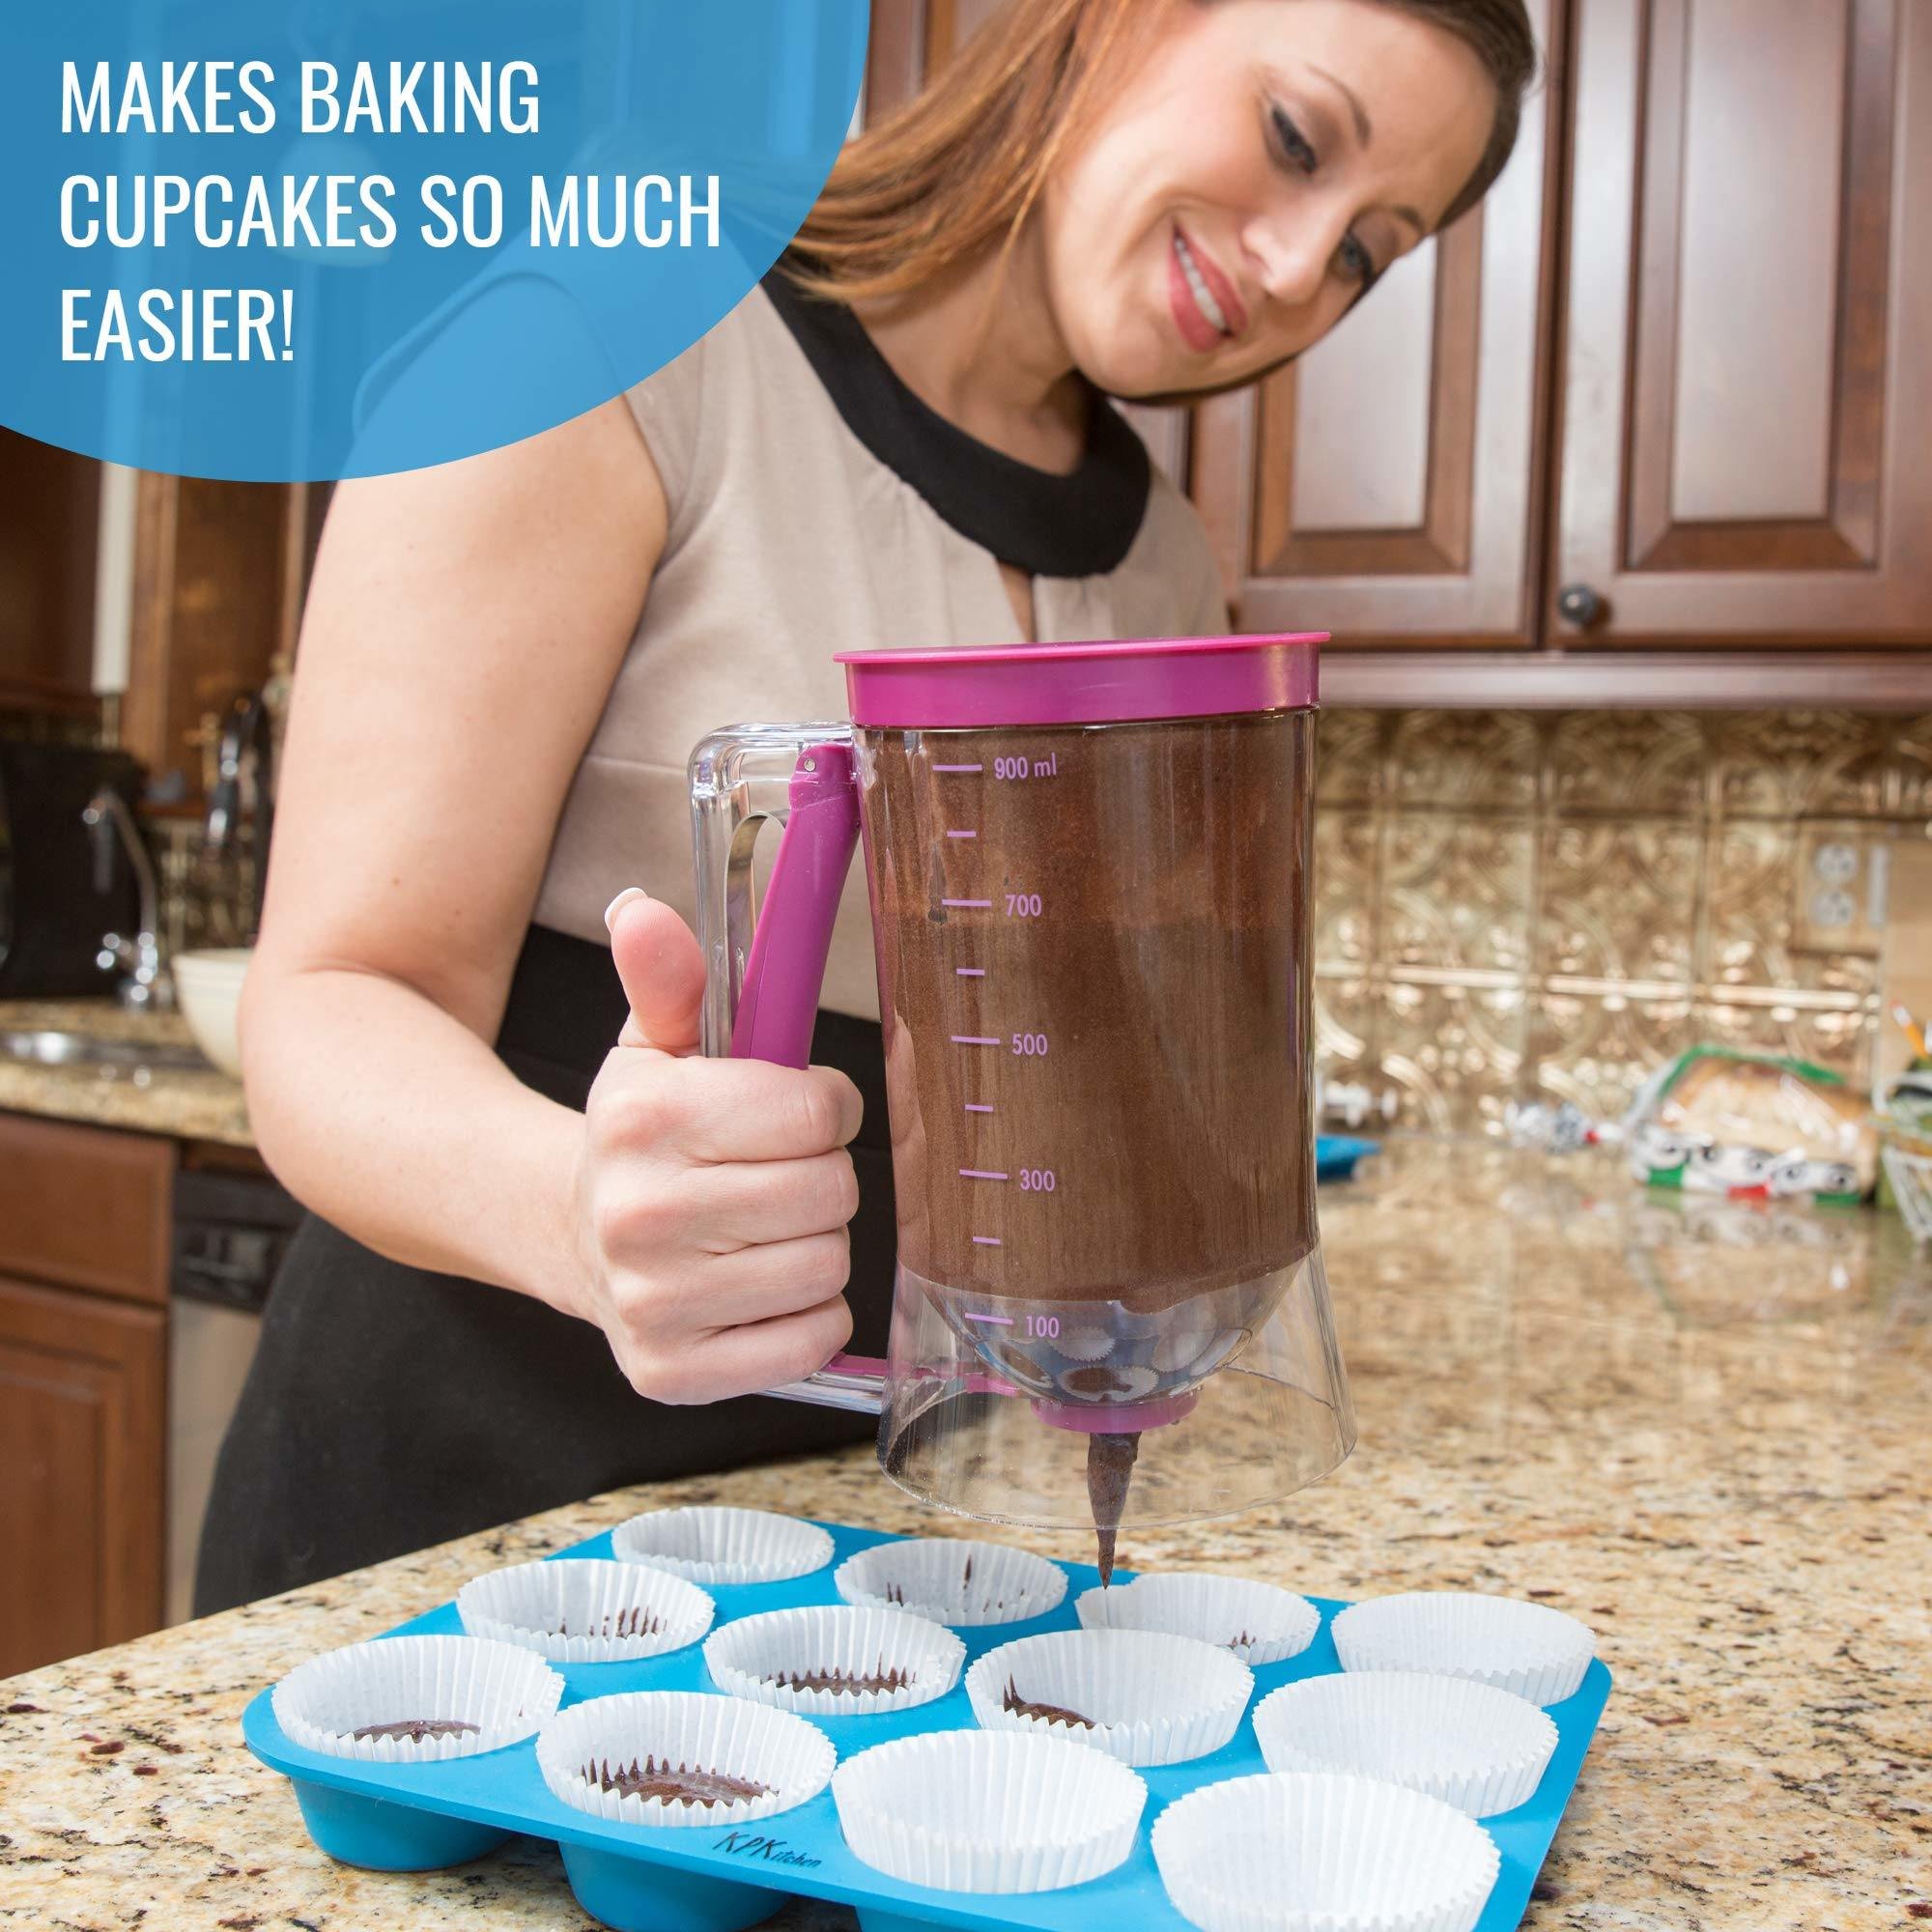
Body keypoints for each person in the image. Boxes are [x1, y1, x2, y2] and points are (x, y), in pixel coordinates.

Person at [194, 0, 1535, 1613]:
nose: (1298, 267)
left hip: (878, 1555)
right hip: (466, 1518)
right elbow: (330, 1005)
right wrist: (578, 1213)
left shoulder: (1163, 564)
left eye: (1369, 251)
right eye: (1296, 139)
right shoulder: (608, 329)